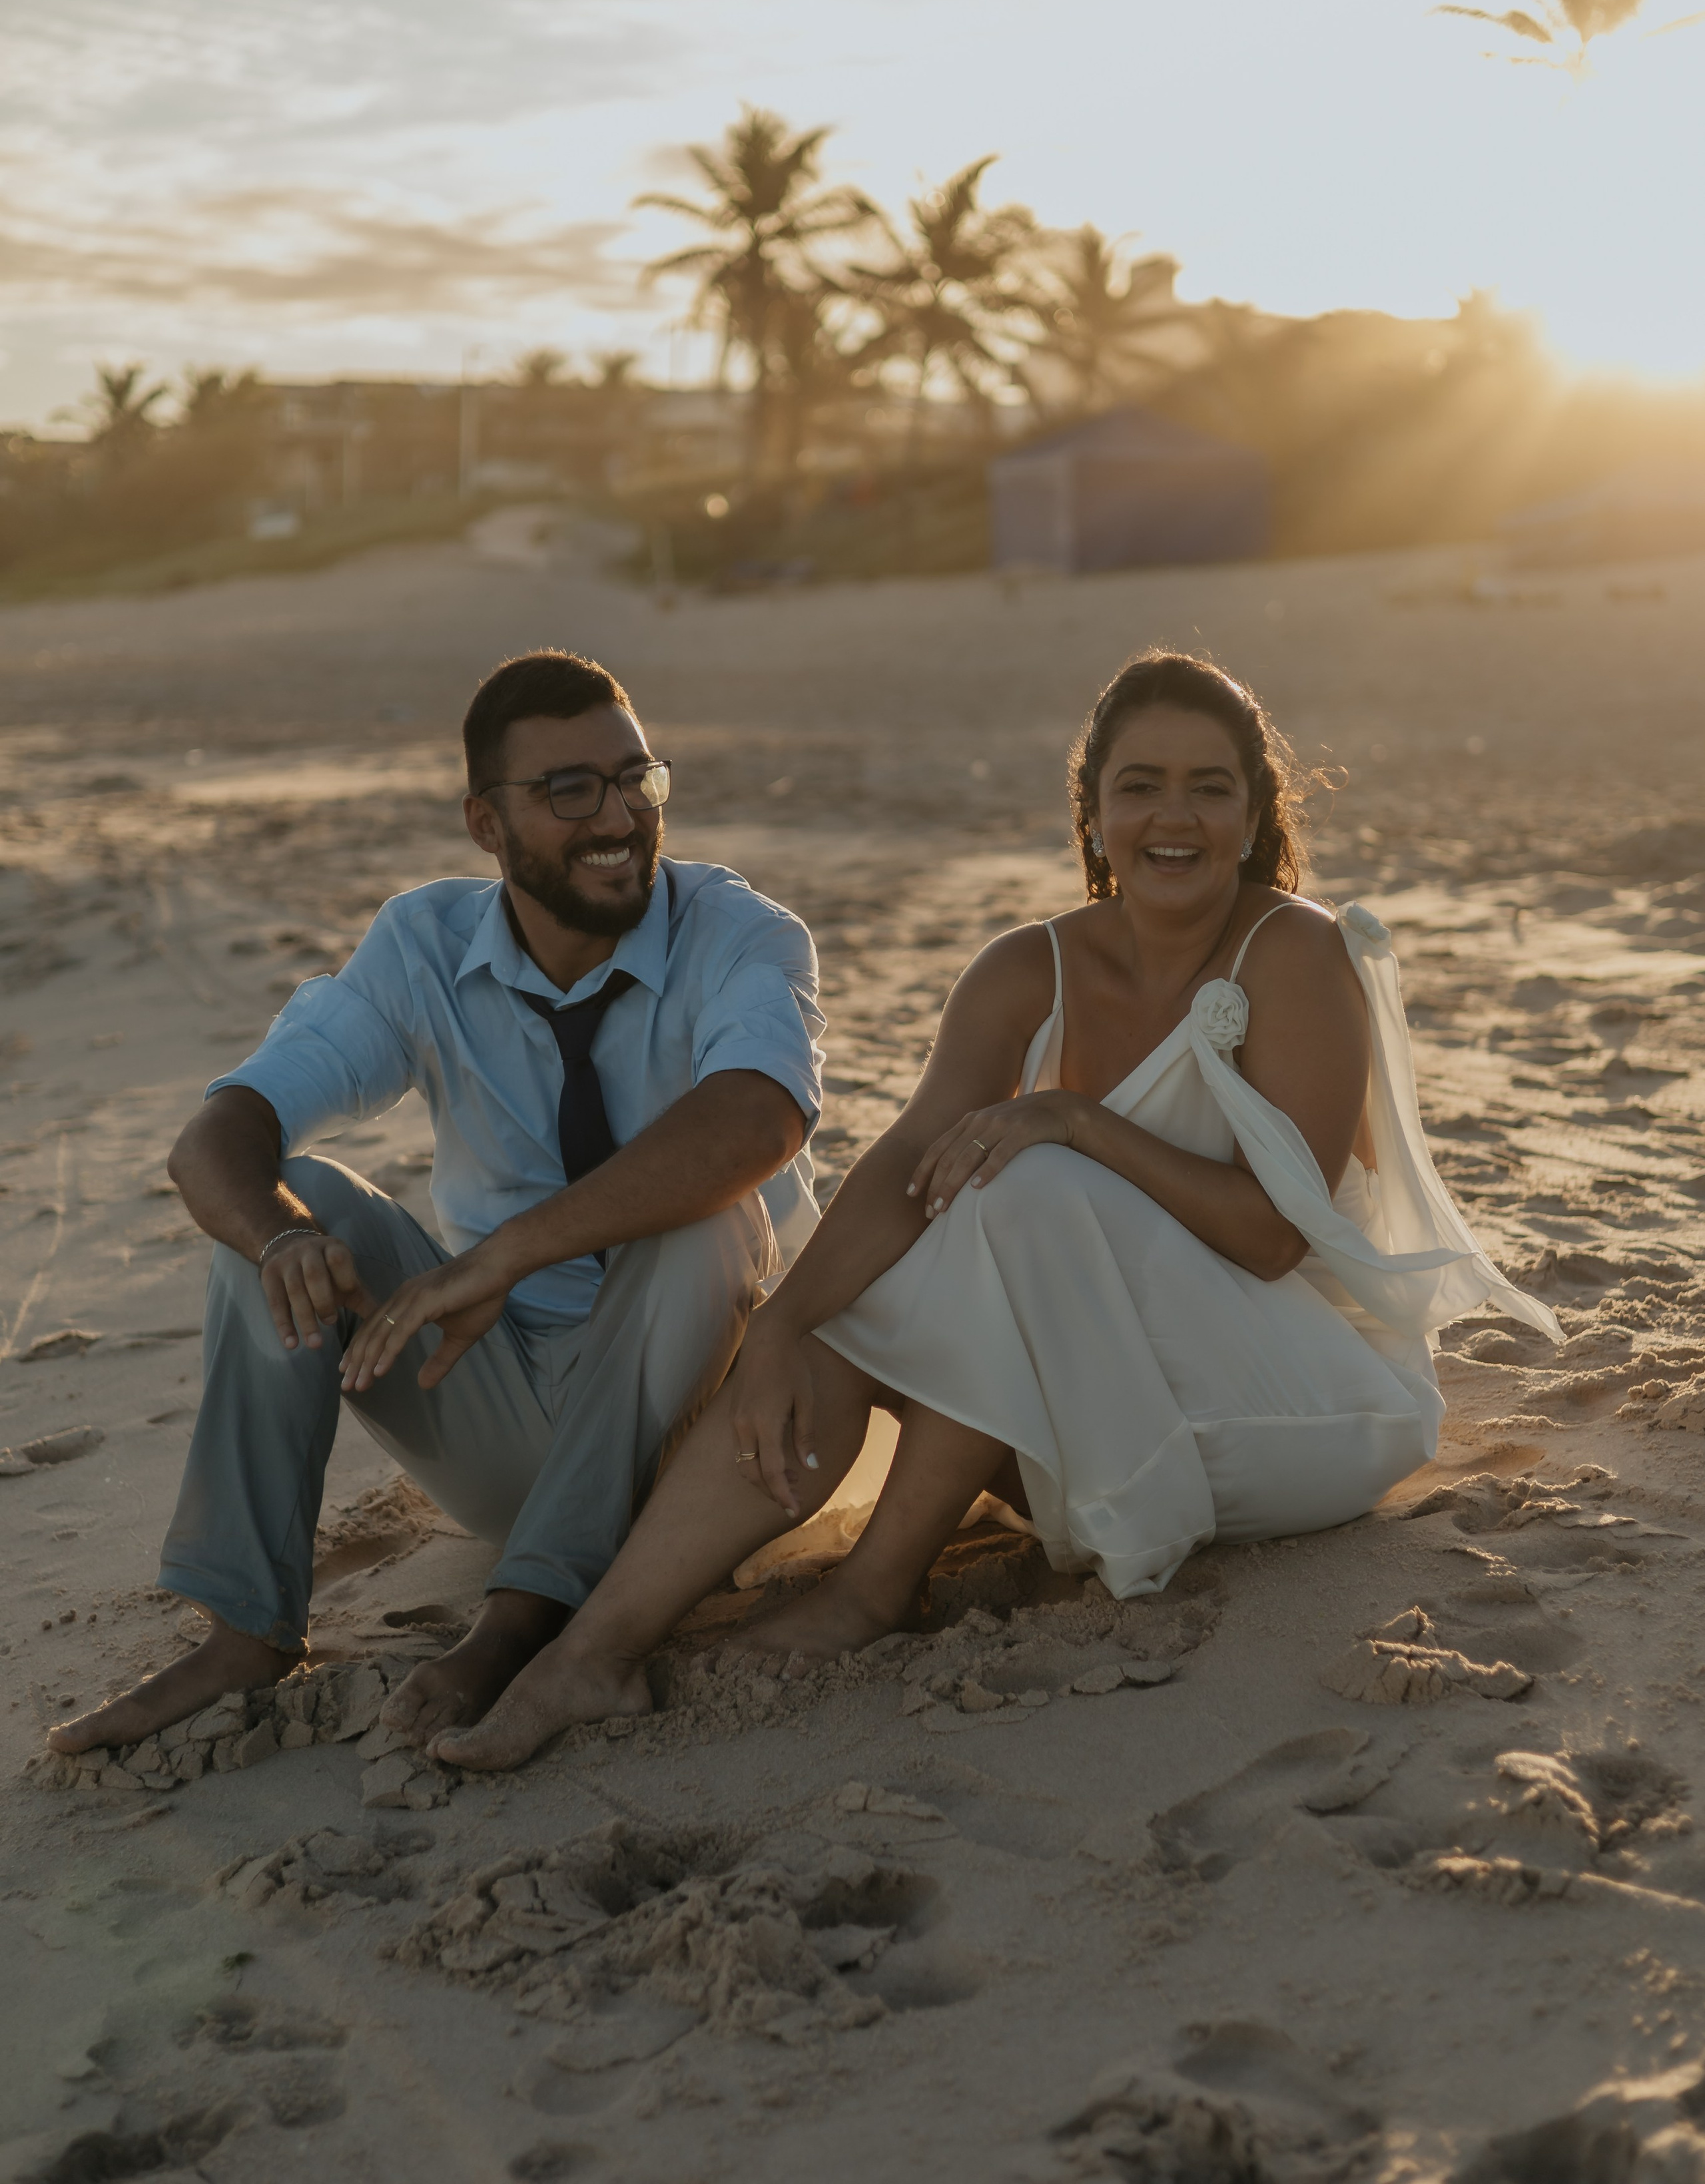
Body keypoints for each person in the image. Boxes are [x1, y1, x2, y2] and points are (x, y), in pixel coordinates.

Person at [425, 649, 1560, 1774]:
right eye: (1141, 786)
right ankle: (598, 1649)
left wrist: (1078, 1119)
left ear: (1256, 811)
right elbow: (904, 1169)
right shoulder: (1028, 969)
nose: (1176, 817)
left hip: (1306, 1411)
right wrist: (776, 1330)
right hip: (1105, 1395)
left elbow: (1272, 1240)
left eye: (1211, 788)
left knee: (1018, 1183)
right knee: (868, 1279)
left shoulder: (1297, 953)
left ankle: (877, 1587)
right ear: (1094, 809)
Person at [48, 648, 823, 1759]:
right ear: (485, 824)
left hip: (709, 1432)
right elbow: (219, 1137)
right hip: (504, 1412)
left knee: (707, 1210)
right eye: (569, 791)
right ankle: (247, 1628)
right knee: (295, 1209)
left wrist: (509, 1251)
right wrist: (278, 1238)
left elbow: (759, 1120)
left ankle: (520, 1624)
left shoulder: (739, 932)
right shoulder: (424, 945)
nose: (616, 816)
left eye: (634, 779)